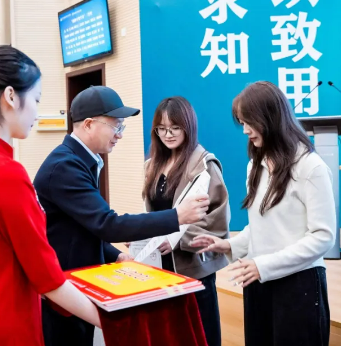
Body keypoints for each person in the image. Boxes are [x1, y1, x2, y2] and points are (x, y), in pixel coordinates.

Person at [0, 46, 101, 345]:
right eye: (36, 100)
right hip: (9, 328)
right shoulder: (5, 174)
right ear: (11, 96)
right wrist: (114, 321)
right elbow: (48, 279)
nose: (37, 113)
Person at [34, 85, 210, 346]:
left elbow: (83, 226)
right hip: (63, 289)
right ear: (89, 124)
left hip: (76, 282)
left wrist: (115, 255)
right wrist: (177, 217)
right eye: (115, 126)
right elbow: (108, 224)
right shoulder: (66, 166)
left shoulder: (81, 160)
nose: (120, 134)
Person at [191, 81, 336, 346]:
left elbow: (322, 237)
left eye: (249, 122)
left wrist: (264, 266)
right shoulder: (255, 166)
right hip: (258, 281)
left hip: (298, 285)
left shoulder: (311, 167)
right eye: (241, 123)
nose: (245, 130)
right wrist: (229, 245)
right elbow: (262, 225)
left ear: (270, 118)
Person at [143, 96, 230, 346]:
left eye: (174, 128)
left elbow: (218, 220)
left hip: (192, 269)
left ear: (188, 126)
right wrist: (141, 233)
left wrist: (177, 240)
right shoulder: (151, 166)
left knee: (199, 336)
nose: (167, 134)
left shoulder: (204, 166)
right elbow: (154, 214)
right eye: (161, 129)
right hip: (159, 266)